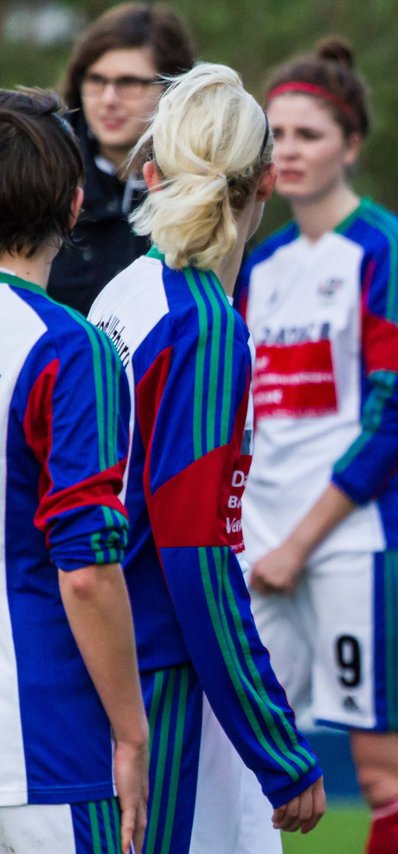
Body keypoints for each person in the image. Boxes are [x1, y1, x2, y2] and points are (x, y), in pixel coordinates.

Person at [87, 64, 325, 852]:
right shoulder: (204, 326)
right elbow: (197, 559)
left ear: (152, 175)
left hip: (99, 662)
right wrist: (279, 749)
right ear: (266, 184)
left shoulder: (123, 292)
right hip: (162, 682)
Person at [234, 38, 398, 854]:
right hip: (259, 550)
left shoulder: (391, 250)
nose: (287, 152)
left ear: (351, 144)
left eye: (308, 134)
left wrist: (300, 543)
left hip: (357, 545)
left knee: (387, 772)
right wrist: (258, 541)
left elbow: (394, 417)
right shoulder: (259, 264)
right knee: (244, 762)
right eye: (276, 136)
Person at [0, 88, 148, 854]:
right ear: (74, 202)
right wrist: (131, 732)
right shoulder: (70, 346)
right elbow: (86, 568)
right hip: (44, 752)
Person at [49, 2, 195, 315]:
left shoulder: (200, 188)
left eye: (129, 83)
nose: (108, 99)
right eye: (96, 81)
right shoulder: (44, 180)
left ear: (172, 88)